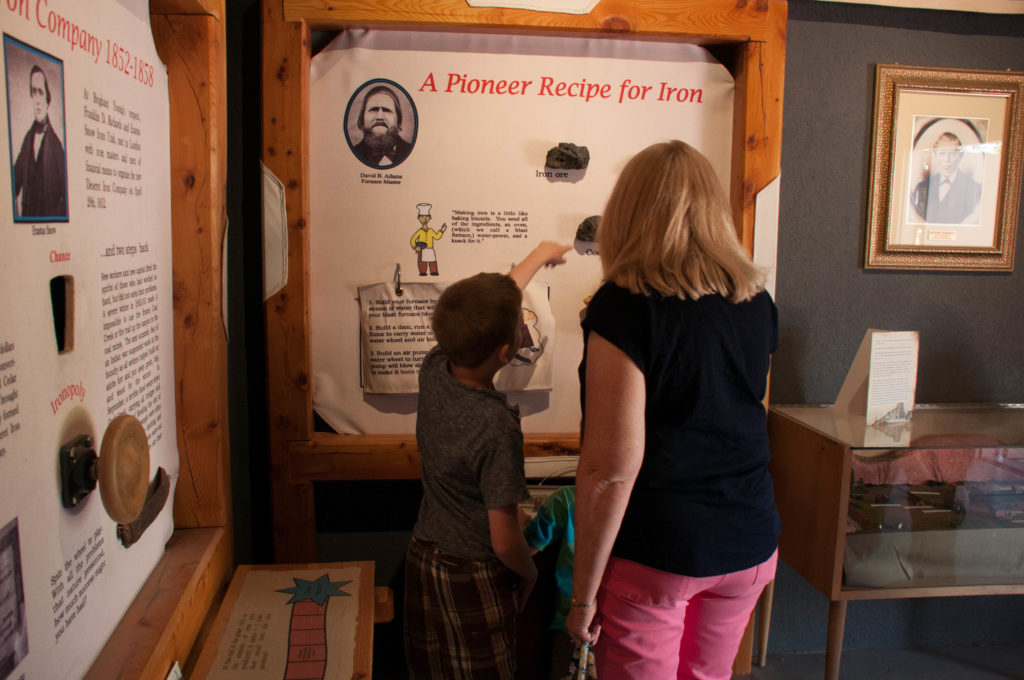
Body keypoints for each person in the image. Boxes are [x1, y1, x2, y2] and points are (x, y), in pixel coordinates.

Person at [565, 140, 780, 680]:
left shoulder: (625, 307)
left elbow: (610, 470)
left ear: (627, 213)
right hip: (749, 540)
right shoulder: (755, 301)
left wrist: (582, 599)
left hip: (662, 550)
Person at [404, 240, 572, 680]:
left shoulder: (435, 365)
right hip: (473, 572)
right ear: (506, 351)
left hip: (424, 556)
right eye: (520, 323)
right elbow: (503, 540)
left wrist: (540, 254)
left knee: (433, 668)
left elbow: (489, 309)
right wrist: (531, 572)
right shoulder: (496, 426)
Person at [523, 485, 579, 680]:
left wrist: (512, 514)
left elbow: (525, 549)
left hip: (571, 624)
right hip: (624, 627)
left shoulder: (566, 499)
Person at [12, 64, 67, 220]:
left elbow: (68, 200)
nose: (37, 100)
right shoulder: (27, 140)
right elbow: (13, 181)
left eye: (40, 92)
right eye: (33, 92)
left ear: (47, 99)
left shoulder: (56, 148)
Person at [910, 131, 982, 225]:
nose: (947, 160)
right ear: (935, 155)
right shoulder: (922, 187)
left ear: (960, 155)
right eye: (942, 154)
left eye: (952, 154)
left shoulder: (974, 188)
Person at [352, 84, 412, 167]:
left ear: (398, 120)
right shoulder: (351, 153)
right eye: (373, 110)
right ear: (362, 118)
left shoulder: (412, 152)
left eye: (387, 110)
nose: (379, 117)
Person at [409, 202, 446, 276]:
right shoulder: (419, 231)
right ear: (419, 218)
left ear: (429, 218)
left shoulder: (431, 231)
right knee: (422, 262)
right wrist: (416, 247)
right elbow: (413, 240)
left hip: (430, 249)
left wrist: (442, 230)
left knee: (432, 261)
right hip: (422, 249)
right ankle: (422, 272)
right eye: (422, 217)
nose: (425, 219)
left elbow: (436, 237)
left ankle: (433, 271)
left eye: (426, 217)